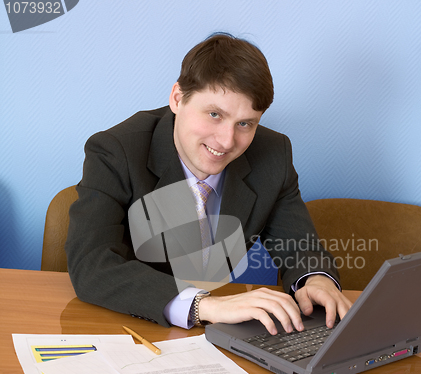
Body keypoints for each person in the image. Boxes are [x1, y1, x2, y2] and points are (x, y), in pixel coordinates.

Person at [66, 33, 352, 335]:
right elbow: (92, 265)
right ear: (178, 98)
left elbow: (297, 246)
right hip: (128, 328)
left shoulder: (273, 154)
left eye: (245, 124)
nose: (227, 141)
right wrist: (205, 306)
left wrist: (315, 279)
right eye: (214, 114)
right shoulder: (116, 150)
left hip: (215, 343)